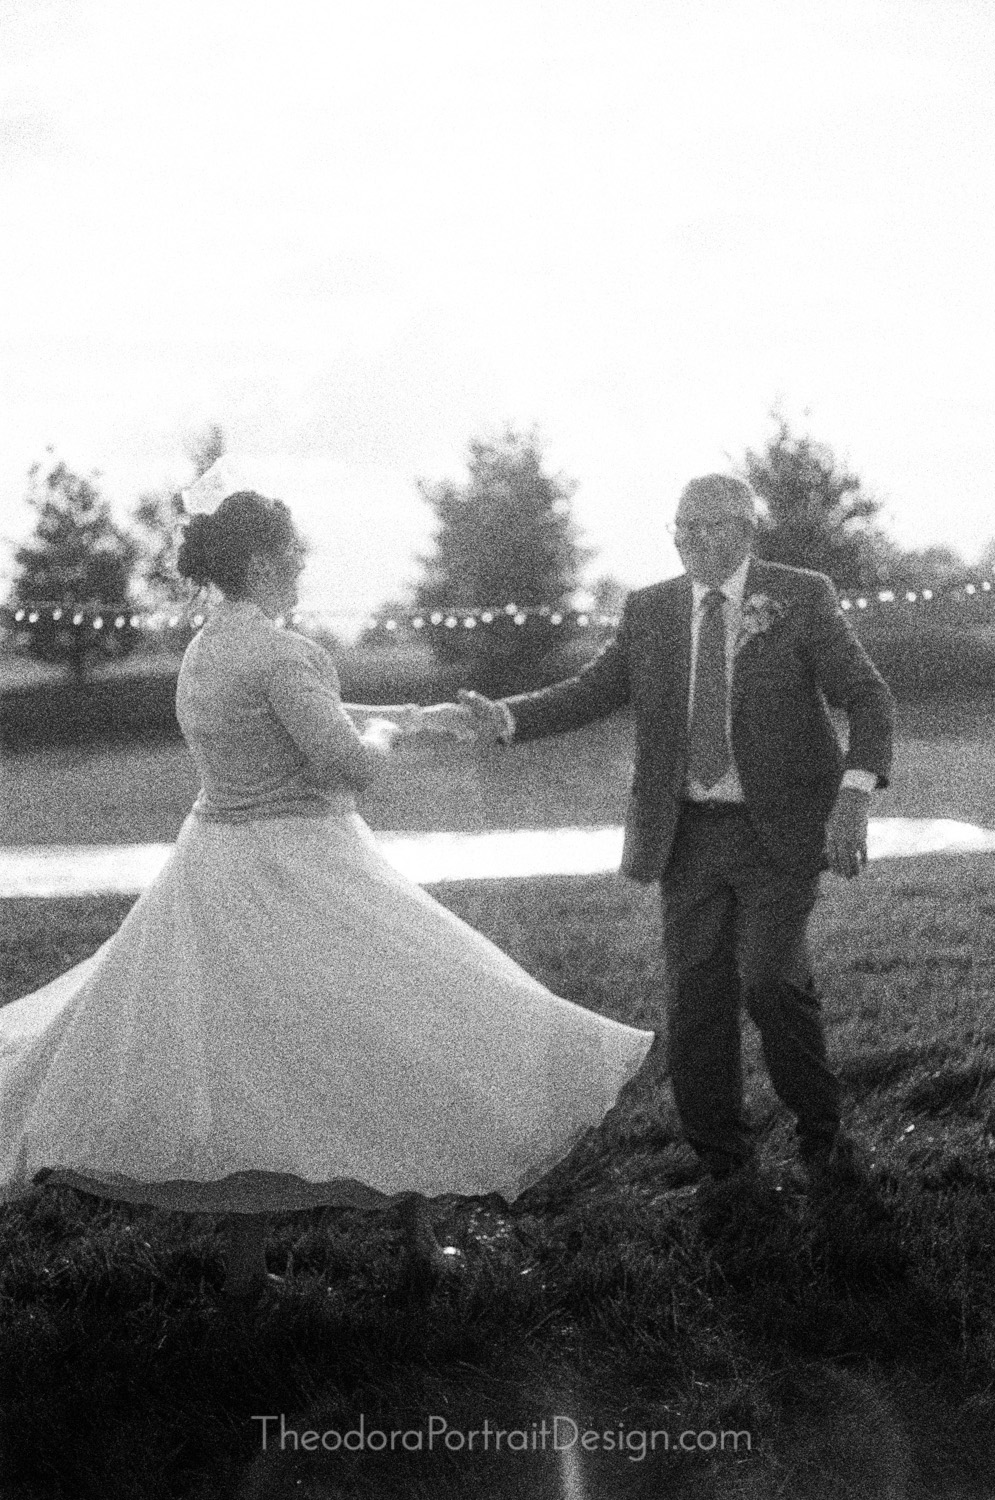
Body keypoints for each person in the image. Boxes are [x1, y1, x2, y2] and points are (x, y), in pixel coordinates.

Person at [0, 475, 652, 1303]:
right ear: (269, 561)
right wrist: (386, 734)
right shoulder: (282, 650)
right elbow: (348, 762)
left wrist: (415, 712)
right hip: (307, 868)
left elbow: (305, 709)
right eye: (297, 555)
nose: (304, 568)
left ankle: (250, 1271)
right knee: (406, 1017)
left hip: (216, 869)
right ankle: (417, 1241)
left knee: (250, 1054)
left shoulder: (205, 649)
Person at [457, 473, 894, 1190]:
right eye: (680, 527)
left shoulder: (800, 595)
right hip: (686, 834)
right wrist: (505, 718)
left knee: (769, 980)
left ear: (747, 530)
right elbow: (592, 691)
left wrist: (854, 794)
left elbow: (867, 697)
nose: (691, 539)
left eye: (709, 525)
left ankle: (821, 1131)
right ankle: (722, 1161)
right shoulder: (650, 609)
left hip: (778, 828)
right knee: (696, 995)